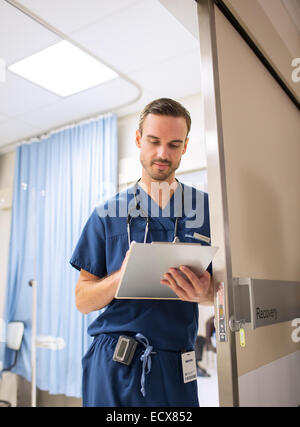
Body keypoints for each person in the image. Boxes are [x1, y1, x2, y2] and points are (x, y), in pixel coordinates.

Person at [70, 98, 213, 407]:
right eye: (154, 141)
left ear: (186, 146)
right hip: (116, 364)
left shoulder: (207, 210)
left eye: (174, 144)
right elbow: (83, 300)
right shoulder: (107, 214)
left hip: (178, 366)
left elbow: (223, 291)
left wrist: (206, 293)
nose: (163, 154)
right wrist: (122, 276)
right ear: (138, 140)